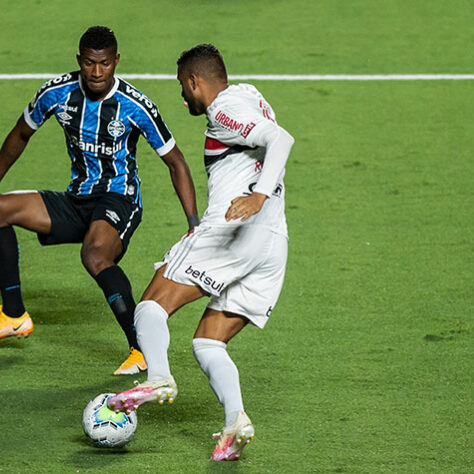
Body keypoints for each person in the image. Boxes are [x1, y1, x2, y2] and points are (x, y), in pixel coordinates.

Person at [0, 26, 199, 375]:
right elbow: (20, 132)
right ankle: (14, 315)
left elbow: (176, 161)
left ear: (116, 61)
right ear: (79, 60)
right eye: (89, 63)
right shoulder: (57, 93)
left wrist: (194, 224)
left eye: (104, 64)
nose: (96, 72)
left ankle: (141, 348)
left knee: (94, 254)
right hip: (77, 200)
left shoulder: (135, 106)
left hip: (119, 199)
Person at [108, 44, 295, 461]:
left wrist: (258, 196)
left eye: (182, 86)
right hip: (272, 244)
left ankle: (157, 378)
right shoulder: (251, 95)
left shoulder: (224, 109)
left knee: (152, 303)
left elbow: (280, 138)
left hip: (234, 232)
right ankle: (235, 422)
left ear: (195, 81)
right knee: (209, 344)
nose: (182, 96)